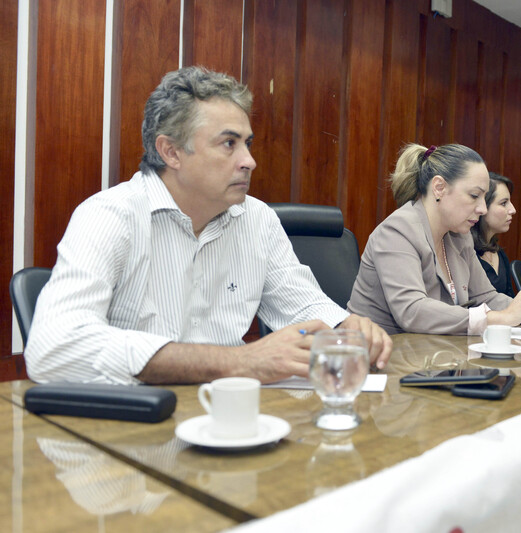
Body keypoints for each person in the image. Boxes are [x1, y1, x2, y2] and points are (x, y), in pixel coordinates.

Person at [25, 66, 391, 385]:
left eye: (247, 143)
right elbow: (53, 347)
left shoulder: (257, 219)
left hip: (231, 418)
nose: (249, 161)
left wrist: (346, 329)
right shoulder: (109, 215)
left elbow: (302, 308)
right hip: (137, 424)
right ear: (171, 152)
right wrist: (238, 361)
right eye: (229, 143)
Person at [346, 143, 521, 336]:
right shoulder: (397, 231)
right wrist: (501, 318)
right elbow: (412, 311)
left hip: (431, 355)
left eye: (484, 198)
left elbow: (487, 297)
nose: (482, 209)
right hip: (378, 357)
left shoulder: (460, 236)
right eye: (474, 196)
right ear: (439, 187)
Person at [471, 172, 516, 297]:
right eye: (503, 203)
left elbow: (509, 298)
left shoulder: (499, 253)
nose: (513, 210)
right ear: (482, 206)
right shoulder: (465, 252)